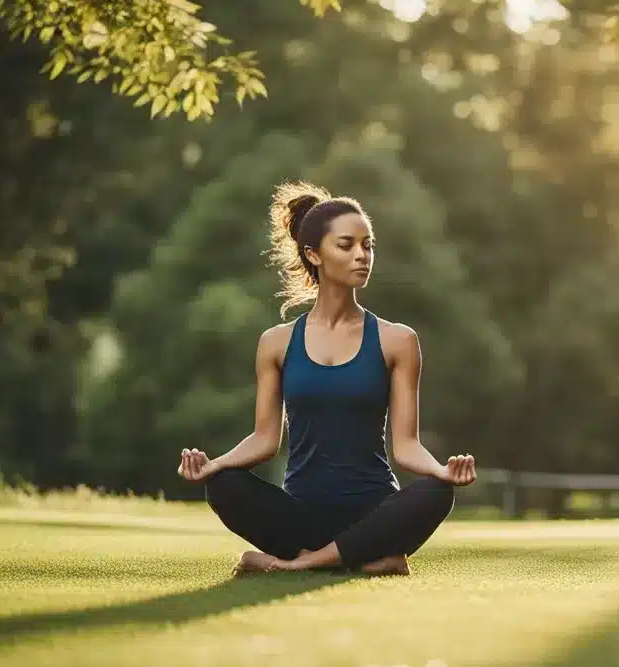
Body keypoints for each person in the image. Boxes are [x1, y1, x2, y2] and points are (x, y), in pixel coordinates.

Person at [175, 181, 476, 577]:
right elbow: (265, 440)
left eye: (368, 245)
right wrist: (213, 466)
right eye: (346, 245)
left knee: (437, 493)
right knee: (223, 485)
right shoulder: (276, 343)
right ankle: (364, 560)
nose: (362, 255)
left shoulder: (398, 340)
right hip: (303, 514)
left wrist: (442, 471)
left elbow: (406, 446)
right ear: (313, 254)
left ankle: (303, 563)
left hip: (374, 513)